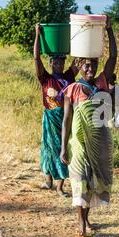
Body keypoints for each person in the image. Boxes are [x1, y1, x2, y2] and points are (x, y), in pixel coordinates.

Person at [60, 16, 117, 236]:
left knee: (93, 179)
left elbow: (113, 56)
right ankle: (80, 222)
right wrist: (64, 147)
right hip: (80, 143)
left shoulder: (102, 82)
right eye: (86, 65)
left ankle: (87, 219)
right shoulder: (72, 89)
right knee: (79, 179)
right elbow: (67, 119)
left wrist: (110, 31)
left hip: (100, 139)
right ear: (80, 68)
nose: (90, 68)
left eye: (93, 64)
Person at [34, 24, 78, 196]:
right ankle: (48, 180)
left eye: (61, 62)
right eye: (55, 62)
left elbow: (79, 61)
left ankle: (60, 186)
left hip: (65, 118)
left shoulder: (68, 77)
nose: (58, 65)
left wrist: (78, 37)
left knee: (62, 147)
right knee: (48, 147)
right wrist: (38, 34)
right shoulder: (45, 78)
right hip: (50, 118)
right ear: (50, 63)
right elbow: (36, 58)